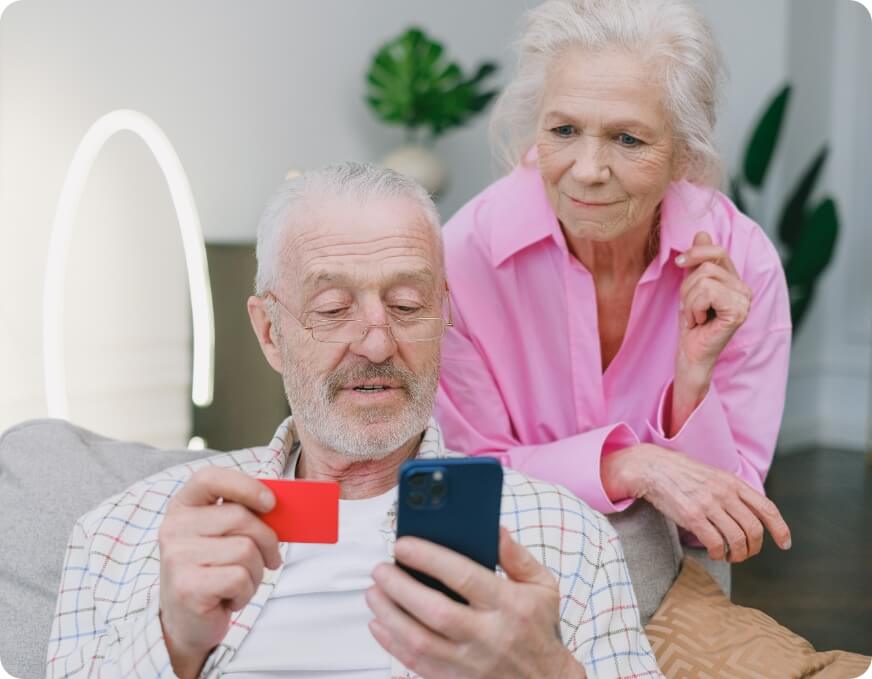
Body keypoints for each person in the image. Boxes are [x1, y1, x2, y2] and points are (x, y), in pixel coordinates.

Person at [45, 162, 661, 679]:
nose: (375, 342)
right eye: (333, 308)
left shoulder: (566, 537)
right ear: (270, 332)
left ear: (443, 316)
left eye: (406, 305)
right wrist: (173, 641)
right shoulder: (122, 532)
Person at [434, 0, 793, 567]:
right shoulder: (461, 261)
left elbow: (722, 525)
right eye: (564, 130)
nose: (587, 169)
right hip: (510, 565)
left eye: (628, 139)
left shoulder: (743, 261)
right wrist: (632, 465)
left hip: (678, 571)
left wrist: (691, 383)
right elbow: (464, 482)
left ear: (682, 154)